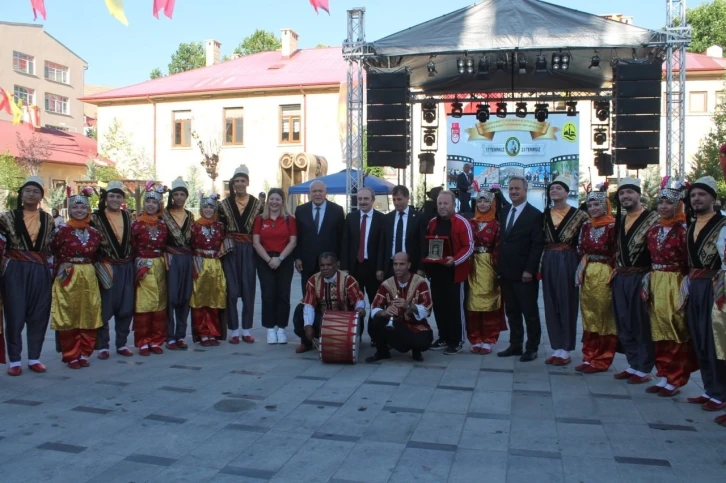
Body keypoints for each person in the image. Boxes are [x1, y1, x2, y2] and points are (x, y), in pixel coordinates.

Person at [643, 183, 697, 397]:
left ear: (679, 205)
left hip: (675, 281)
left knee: (676, 328)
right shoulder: (654, 229)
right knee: (658, 328)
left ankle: (676, 378)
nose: (663, 207)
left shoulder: (684, 230)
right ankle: (663, 374)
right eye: (661, 202)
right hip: (656, 280)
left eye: (669, 203)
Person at [0, 176, 55, 376]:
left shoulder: (48, 219)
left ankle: (34, 357)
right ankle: (14, 360)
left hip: (40, 269)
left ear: (41, 196)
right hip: (15, 268)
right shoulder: (6, 217)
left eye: (36, 191)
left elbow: (51, 247)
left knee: (39, 313)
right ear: (21, 194)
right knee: (14, 313)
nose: (31, 194)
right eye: (28, 191)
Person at [684, 176, 726, 413]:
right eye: (693, 195)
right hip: (694, 284)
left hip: (715, 284)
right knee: (698, 337)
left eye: (702, 194)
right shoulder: (691, 225)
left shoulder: (722, 224)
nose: (697, 199)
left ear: (713, 197)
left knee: (714, 340)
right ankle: (710, 388)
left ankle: (720, 391)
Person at [611, 177, 659, 384]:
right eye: (621, 193)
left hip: (641, 276)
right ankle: (633, 364)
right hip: (621, 276)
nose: (625, 196)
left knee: (640, 321)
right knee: (623, 320)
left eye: (629, 192)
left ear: (639, 194)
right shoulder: (621, 220)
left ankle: (644, 367)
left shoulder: (653, 218)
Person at [50, 189, 103, 369]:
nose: (79, 210)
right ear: (69, 209)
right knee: (69, 313)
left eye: (83, 206)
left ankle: (85, 352)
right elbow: (52, 252)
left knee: (89, 311)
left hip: (88, 273)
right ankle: (71, 354)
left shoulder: (95, 233)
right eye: (75, 206)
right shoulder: (61, 231)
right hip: (68, 273)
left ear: (88, 209)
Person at [541, 175, 588, 366]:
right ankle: (556, 347)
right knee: (550, 300)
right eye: (552, 188)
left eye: (559, 188)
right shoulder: (544, 215)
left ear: (567, 193)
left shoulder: (580, 215)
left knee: (567, 300)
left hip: (569, 258)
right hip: (549, 258)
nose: (554, 190)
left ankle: (566, 348)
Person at [497, 176, 544, 362]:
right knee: (512, 311)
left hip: (525, 274)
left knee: (529, 312)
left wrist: (529, 270)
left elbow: (536, 245)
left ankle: (532, 348)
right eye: (511, 189)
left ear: (526, 191)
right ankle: (515, 344)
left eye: (517, 188)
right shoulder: (504, 211)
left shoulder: (535, 214)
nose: (514, 192)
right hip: (506, 272)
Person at [423, 190, 474, 355]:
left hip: (455, 273)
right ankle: (443, 337)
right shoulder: (432, 222)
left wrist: (455, 260)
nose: (442, 207)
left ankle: (457, 340)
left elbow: (469, 246)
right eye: (440, 203)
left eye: (446, 203)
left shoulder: (462, 222)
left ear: (453, 204)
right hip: (437, 273)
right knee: (439, 306)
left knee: (455, 308)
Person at [218, 165, 263, 344]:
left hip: (249, 249)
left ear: (248, 182)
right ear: (233, 184)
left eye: (242, 181)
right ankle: (234, 330)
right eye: (236, 181)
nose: (239, 184)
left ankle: (246, 329)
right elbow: (219, 229)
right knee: (231, 290)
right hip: (230, 249)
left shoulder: (258, 205)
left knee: (248, 289)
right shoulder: (224, 205)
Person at [91, 181, 135, 359]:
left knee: (126, 305)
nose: (115, 199)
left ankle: (122, 343)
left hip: (126, 266)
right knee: (105, 305)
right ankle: (103, 345)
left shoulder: (128, 216)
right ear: (105, 198)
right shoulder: (95, 218)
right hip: (106, 265)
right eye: (112, 196)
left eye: (118, 196)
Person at [575, 187, 618, 374]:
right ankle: (589, 355)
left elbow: (617, 252)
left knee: (604, 316)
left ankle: (603, 358)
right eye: (590, 205)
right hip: (588, 273)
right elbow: (580, 249)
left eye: (597, 204)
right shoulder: (586, 226)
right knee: (588, 314)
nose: (592, 208)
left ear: (606, 205)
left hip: (605, 273)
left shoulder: (613, 226)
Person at [367, 252, 433, 362]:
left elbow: (427, 308)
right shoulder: (386, 284)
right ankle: (382, 352)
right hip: (396, 325)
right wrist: (384, 312)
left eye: (402, 264)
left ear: (409, 265)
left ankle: (415, 350)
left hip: (415, 325)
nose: (397, 268)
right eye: (395, 264)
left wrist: (409, 306)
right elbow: (374, 306)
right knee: (375, 321)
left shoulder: (420, 282)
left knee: (423, 341)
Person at [293, 252, 365, 353]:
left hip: (344, 321)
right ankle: (307, 343)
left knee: (358, 315)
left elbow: (358, 299)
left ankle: (351, 339)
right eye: (322, 265)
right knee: (300, 309)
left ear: (337, 266)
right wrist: (308, 326)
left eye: (329, 265)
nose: (325, 268)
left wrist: (360, 308)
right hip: (323, 320)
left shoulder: (348, 280)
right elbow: (309, 305)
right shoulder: (313, 280)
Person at [252, 188, 297, 344]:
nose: (274, 202)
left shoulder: (289, 219)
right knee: (268, 294)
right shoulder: (260, 219)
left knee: (283, 294)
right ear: (268, 201)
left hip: (284, 259)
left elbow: (293, 241)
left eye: (278, 199)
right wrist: (269, 260)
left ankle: (282, 328)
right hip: (265, 260)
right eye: (272, 199)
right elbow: (256, 242)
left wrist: (280, 258)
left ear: (282, 202)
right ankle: (270, 328)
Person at [341, 187, 384, 339]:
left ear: (373, 200)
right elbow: (345, 243)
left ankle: (375, 336)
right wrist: (345, 268)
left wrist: (380, 268)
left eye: (366, 199)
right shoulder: (351, 218)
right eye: (360, 199)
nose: (362, 202)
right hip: (354, 268)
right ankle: (355, 334)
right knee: (354, 302)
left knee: (375, 302)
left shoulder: (381, 219)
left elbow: (382, 246)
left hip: (373, 268)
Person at [466, 190, 506, 355]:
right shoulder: (470, 223)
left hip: (490, 266)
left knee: (490, 304)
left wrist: (499, 269)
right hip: (472, 265)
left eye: (486, 201)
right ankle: (475, 338)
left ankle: (489, 339)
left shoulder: (497, 225)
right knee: (472, 304)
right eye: (479, 201)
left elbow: (499, 248)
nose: (482, 204)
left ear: (492, 204)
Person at [131, 185, 169, 356]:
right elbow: (130, 247)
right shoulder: (136, 224)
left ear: (159, 205)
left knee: (160, 304)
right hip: (143, 266)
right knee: (143, 305)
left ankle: (156, 340)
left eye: (155, 202)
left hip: (160, 266)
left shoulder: (163, 226)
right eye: (148, 201)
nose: (151, 205)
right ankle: (143, 341)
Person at [294, 180, 345, 295]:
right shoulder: (300, 210)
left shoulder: (337, 210)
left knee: (329, 297)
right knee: (308, 296)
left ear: (326, 192)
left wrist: (340, 260)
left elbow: (341, 238)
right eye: (314, 191)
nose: (317, 194)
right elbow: (298, 236)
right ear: (309, 193)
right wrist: (297, 258)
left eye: (320, 191)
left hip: (330, 263)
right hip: (307, 263)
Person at [189, 194, 227, 347]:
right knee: (200, 300)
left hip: (216, 266)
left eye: (211, 207)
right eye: (205, 207)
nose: (208, 210)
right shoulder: (194, 226)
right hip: (201, 264)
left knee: (215, 299)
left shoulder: (219, 226)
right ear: (201, 209)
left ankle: (213, 332)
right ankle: (202, 333)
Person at [162, 177, 194, 350]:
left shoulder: (190, 216)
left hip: (187, 259)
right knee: (171, 297)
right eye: (176, 194)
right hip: (171, 259)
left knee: (185, 297)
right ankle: (169, 335)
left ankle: (181, 335)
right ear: (172, 196)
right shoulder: (164, 215)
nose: (179, 197)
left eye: (182, 194)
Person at [379, 185, 426, 278]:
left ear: (407, 198)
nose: (396, 202)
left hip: (412, 266)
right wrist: (380, 268)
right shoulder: (387, 218)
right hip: (391, 266)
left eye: (399, 199)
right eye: (394, 200)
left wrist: (421, 267)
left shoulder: (418, 217)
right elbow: (382, 244)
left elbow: (423, 244)